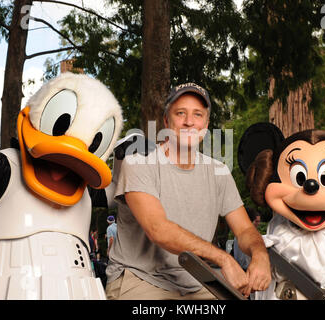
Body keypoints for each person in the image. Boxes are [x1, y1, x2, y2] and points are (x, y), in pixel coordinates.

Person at [105, 83, 271, 300]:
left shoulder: (218, 171)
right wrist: (224, 260)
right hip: (140, 278)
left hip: (196, 281)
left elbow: (245, 230)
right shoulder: (138, 162)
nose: (189, 122)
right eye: (180, 113)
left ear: (206, 123)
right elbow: (158, 229)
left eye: (198, 114)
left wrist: (260, 255)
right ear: (166, 121)